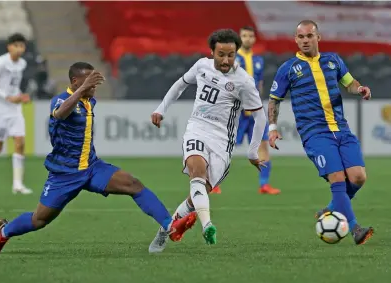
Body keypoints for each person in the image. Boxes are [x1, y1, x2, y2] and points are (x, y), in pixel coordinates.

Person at [0, 62, 195, 254]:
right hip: (65, 174)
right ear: (75, 82)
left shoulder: (89, 101)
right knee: (39, 220)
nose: (93, 86)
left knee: (133, 184)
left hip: (91, 168)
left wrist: (86, 90)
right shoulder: (61, 99)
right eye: (89, 81)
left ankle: (170, 226)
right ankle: (4, 231)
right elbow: (60, 114)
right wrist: (82, 90)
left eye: (94, 81)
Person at [149, 29, 267, 253]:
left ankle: (166, 230)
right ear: (211, 51)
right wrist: (161, 109)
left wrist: (252, 152)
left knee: (196, 196)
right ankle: (207, 225)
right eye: (221, 54)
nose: (225, 60)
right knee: (197, 173)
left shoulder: (243, 81)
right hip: (197, 129)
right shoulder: (201, 66)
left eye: (230, 55)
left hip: (222, 141)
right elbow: (180, 84)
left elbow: (260, 116)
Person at [268, 20, 374, 245]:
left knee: (358, 177)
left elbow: (349, 83)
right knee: (337, 177)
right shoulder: (287, 69)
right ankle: (354, 228)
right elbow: (274, 101)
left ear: (318, 37)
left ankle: (331, 209)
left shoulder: (333, 60)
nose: (305, 40)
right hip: (315, 133)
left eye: (309, 36)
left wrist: (360, 89)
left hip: (341, 128)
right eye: (301, 37)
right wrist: (273, 129)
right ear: (296, 40)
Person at [0, 33, 32, 194]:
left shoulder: (22, 64)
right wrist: (7, 97)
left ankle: (17, 184)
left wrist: (20, 96)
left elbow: (14, 86)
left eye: (22, 46)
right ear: (9, 46)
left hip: (14, 109)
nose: (19, 49)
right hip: (0, 110)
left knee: (20, 142)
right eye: (16, 45)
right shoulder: (0, 63)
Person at [233, 26, 280, 195]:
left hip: (254, 113)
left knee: (263, 146)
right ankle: (213, 184)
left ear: (254, 39)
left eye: (250, 36)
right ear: (239, 38)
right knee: (221, 147)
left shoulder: (258, 60)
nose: (247, 39)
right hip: (237, 113)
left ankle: (264, 185)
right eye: (244, 35)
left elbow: (259, 85)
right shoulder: (232, 59)